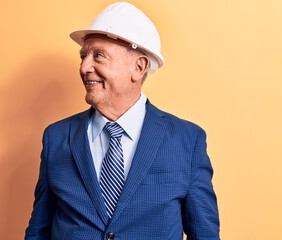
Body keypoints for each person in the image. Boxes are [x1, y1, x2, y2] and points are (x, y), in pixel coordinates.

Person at [25, 2, 220, 240]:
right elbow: (38, 231)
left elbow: (205, 235)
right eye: (84, 56)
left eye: (98, 56)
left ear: (139, 67)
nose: (84, 67)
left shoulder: (187, 141)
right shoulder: (56, 138)